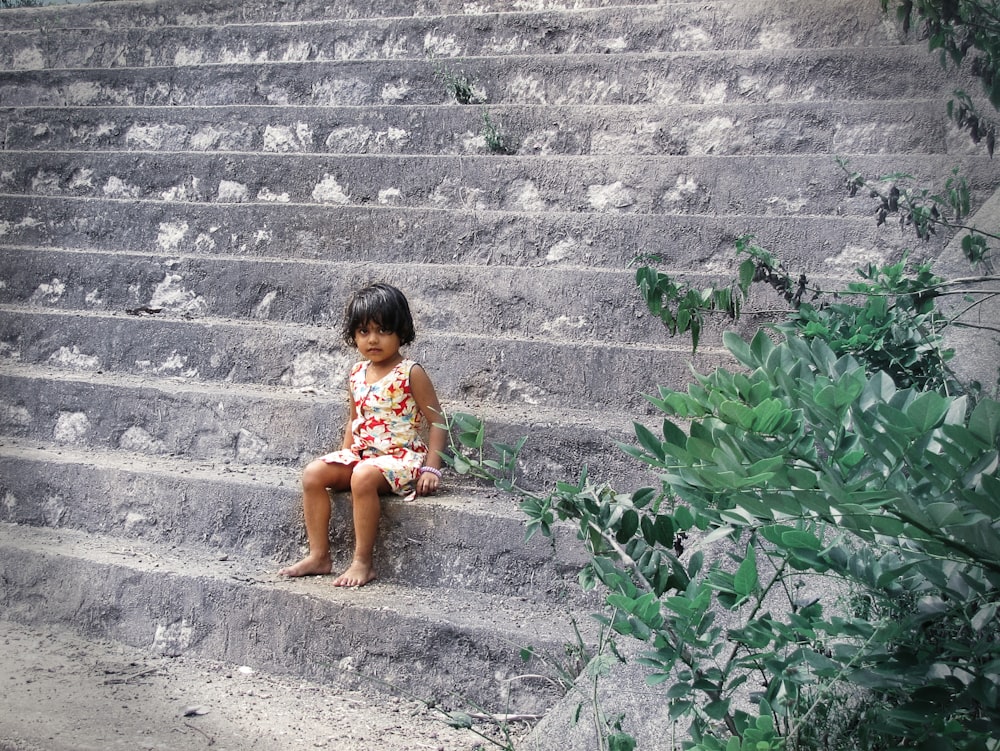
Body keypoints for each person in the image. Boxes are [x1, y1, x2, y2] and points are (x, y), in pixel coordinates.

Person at [278, 283, 446, 587]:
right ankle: (319, 556)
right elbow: (355, 420)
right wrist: (344, 457)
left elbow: (438, 422)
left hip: (401, 459)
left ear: (401, 331)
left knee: (363, 476)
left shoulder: (411, 372)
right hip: (365, 456)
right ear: (353, 335)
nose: (372, 339)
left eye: (382, 330)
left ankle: (362, 562)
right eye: (364, 332)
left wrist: (431, 468)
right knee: (314, 474)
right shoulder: (357, 373)